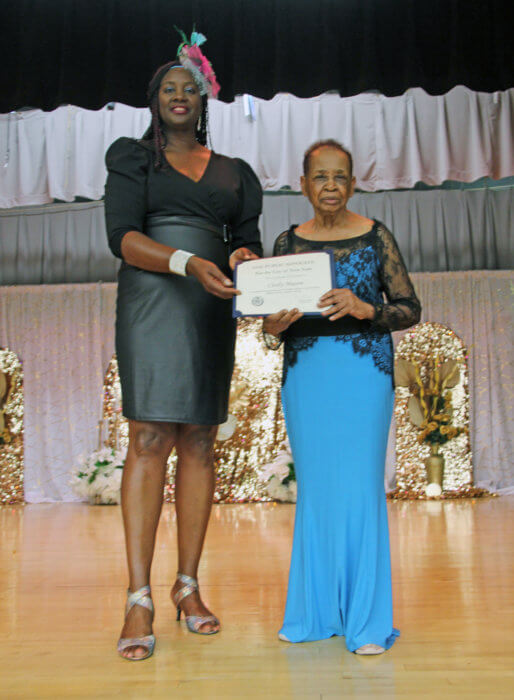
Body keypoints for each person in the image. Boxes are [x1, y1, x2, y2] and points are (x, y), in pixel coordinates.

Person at [104, 32, 263, 660]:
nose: (179, 95)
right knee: (149, 436)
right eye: (169, 87)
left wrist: (243, 260)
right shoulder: (131, 158)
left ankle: (187, 586)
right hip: (153, 297)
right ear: (154, 101)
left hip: (208, 305)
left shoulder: (234, 173)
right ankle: (138, 596)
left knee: (199, 438)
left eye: (188, 88)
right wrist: (187, 262)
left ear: (203, 101)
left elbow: (246, 238)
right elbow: (121, 237)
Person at [263, 139, 420, 655]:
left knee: (359, 491)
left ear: (353, 183)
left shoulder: (376, 237)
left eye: (340, 176)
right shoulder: (286, 243)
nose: (330, 186)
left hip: (362, 374)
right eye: (320, 177)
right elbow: (272, 323)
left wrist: (363, 306)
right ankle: (314, 614)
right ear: (304, 184)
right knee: (317, 493)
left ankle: (368, 623)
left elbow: (408, 309)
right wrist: (272, 325)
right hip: (307, 378)